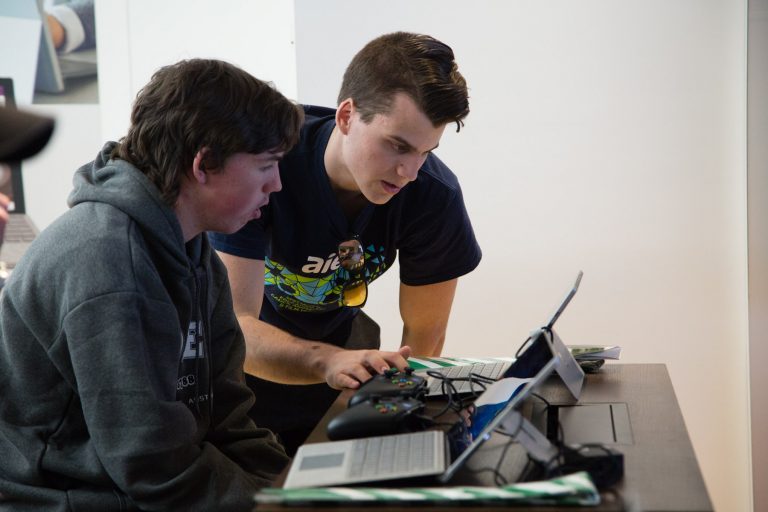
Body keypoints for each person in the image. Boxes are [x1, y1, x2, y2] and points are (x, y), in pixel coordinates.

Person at [0, 58, 304, 510]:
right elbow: (154, 465)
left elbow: (226, 414)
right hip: (63, 498)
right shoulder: (107, 260)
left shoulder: (194, 251)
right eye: (266, 166)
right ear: (203, 164)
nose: (277, 185)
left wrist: (294, 490)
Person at [210, 31, 482, 454]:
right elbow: (235, 328)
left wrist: (393, 406)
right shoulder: (263, 164)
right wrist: (326, 361)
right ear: (346, 116)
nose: (408, 171)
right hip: (241, 383)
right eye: (397, 146)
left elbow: (425, 335)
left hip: (344, 366)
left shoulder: (432, 194)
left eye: (426, 152)